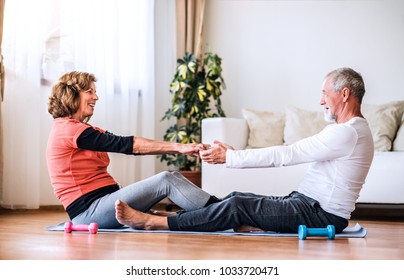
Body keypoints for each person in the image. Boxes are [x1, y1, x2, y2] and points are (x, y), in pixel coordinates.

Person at [114, 67, 374, 233]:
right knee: (236, 197)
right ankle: (183, 217)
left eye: (325, 93)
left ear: (344, 94)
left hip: (320, 214)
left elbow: (287, 154)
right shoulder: (350, 130)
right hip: (306, 204)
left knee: (237, 205)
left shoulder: (347, 132)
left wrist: (231, 157)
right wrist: (234, 153)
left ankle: (156, 222)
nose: (320, 101)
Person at [46, 71, 219, 229]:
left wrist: (182, 148)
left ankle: (224, 209)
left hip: (105, 203)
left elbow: (129, 142)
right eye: (89, 91)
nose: (96, 97)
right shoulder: (68, 130)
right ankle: (225, 212)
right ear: (72, 94)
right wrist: (181, 148)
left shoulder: (81, 129)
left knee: (172, 199)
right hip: (90, 212)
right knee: (166, 180)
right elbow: (128, 145)